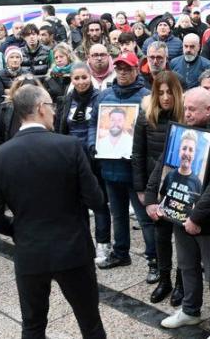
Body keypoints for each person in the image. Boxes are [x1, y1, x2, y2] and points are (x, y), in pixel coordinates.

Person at [0, 85, 106, 339]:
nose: (54, 112)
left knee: (33, 326)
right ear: (40, 108)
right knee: (90, 323)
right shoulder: (70, 146)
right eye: (51, 106)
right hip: (73, 250)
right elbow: (96, 200)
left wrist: (21, 229)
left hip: (30, 252)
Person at [145, 87, 210, 339]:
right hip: (179, 214)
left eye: (192, 109)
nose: (186, 113)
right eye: (185, 108)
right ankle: (190, 309)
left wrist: (196, 217)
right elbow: (163, 166)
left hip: (209, 220)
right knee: (186, 267)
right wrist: (152, 200)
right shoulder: (182, 133)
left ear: (208, 110)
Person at [88, 52, 152, 270]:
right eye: (120, 69)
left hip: (135, 169)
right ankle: (121, 252)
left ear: (136, 70)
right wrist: (92, 144)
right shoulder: (104, 96)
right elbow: (93, 125)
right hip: (111, 166)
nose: (123, 73)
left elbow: (152, 131)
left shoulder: (146, 97)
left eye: (128, 69)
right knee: (118, 214)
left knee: (144, 218)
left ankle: (154, 259)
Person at [132, 71, 185, 305]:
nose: (165, 97)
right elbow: (138, 154)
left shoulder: (186, 118)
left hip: (182, 188)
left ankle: (181, 282)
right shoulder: (146, 118)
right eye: (160, 93)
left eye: (169, 92)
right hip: (157, 186)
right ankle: (165, 280)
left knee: (182, 239)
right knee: (161, 236)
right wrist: (142, 190)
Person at [54, 63, 111, 265]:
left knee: (99, 202)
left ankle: (103, 244)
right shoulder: (67, 99)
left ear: (91, 77)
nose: (80, 82)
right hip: (71, 158)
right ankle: (84, 242)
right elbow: (62, 128)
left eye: (84, 77)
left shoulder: (100, 98)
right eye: (76, 78)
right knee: (77, 203)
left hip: (94, 158)